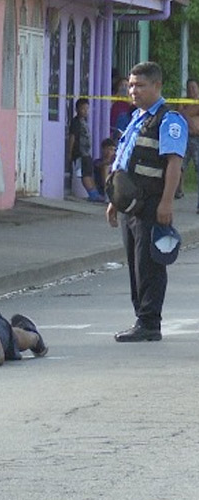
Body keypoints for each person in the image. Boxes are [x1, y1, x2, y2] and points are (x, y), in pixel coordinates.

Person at [106, 62, 188, 342]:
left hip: (153, 204)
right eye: (130, 85)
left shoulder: (169, 120)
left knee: (149, 265)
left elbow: (174, 164)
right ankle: (141, 317)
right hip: (131, 206)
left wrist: (166, 203)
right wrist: (115, 201)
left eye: (140, 85)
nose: (133, 90)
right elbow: (124, 163)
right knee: (135, 263)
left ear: (157, 86)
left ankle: (150, 322)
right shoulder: (137, 118)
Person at [68, 98, 104, 202]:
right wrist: (70, 153)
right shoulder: (75, 122)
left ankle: (95, 194)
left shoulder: (84, 121)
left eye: (86, 109)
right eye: (82, 109)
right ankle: (92, 194)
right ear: (77, 109)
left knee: (88, 173)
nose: (85, 111)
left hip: (87, 153)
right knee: (85, 174)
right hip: (80, 153)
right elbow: (72, 137)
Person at [178, 78, 199, 207]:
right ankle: (177, 191)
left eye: (194, 87)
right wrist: (191, 117)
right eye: (189, 88)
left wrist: (187, 115)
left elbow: (184, 113)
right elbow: (179, 114)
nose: (192, 90)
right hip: (185, 138)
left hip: (197, 139)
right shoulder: (183, 101)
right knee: (179, 166)